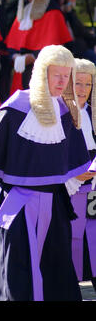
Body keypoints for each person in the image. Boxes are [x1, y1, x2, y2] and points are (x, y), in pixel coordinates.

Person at [0, 44, 91, 301]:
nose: (62, 81)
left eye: (66, 75)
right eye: (56, 74)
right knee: (18, 276)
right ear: (41, 74)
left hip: (55, 205)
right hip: (17, 205)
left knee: (56, 274)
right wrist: (3, 201)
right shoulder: (13, 109)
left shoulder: (65, 111)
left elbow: (73, 165)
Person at [5, 0, 73, 93]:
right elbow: (12, 43)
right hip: (20, 69)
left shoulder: (52, 11)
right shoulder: (23, 12)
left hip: (44, 69)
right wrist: (14, 56)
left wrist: (33, 57)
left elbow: (56, 46)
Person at [69, 58, 96, 291]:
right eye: (78, 83)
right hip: (67, 191)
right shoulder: (58, 113)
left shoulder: (93, 113)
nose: (83, 90)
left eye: (88, 85)